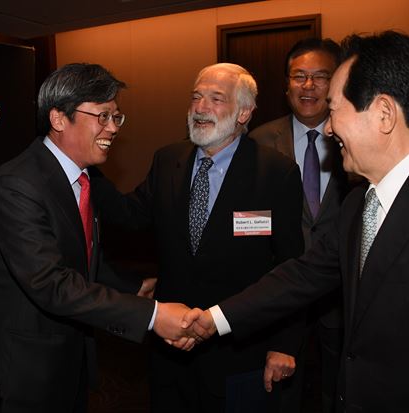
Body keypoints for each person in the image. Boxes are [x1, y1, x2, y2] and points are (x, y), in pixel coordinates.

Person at [185, 31, 409, 412]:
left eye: (335, 110)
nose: (328, 129)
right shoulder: (358, 205)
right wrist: (214, 319)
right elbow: (302, 276)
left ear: (383, 113)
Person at [0, 63, 193, 413]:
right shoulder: (18, 184)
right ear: (59, 118)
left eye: (117, 117)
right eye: (102, 116)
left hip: (70, 357)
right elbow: (51, 283)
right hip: (27, 372)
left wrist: (131, 287)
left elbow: (77, 255)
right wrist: (151, 314)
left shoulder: (85, 176)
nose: (112, 129)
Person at [92, 63, 305, 413]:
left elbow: (291, 267)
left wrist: (285, 344)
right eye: (196, 97)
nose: (201, 107)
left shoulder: (275, 173)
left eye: (216, 99)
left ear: (244, 112)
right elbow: (130, 215)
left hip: (239, 349)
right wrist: (85, 163)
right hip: (171, 349)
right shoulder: (168, 160)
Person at [248, 37, 347, 413]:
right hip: (282, 284)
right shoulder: (258, 142)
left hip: (339, 287)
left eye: (320, 77)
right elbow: (249, 217)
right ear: (285, 84)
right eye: (299, 76)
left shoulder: (353, 138)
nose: (308, 86)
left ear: (336, 82)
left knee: (339, 380)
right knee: (280, 383)